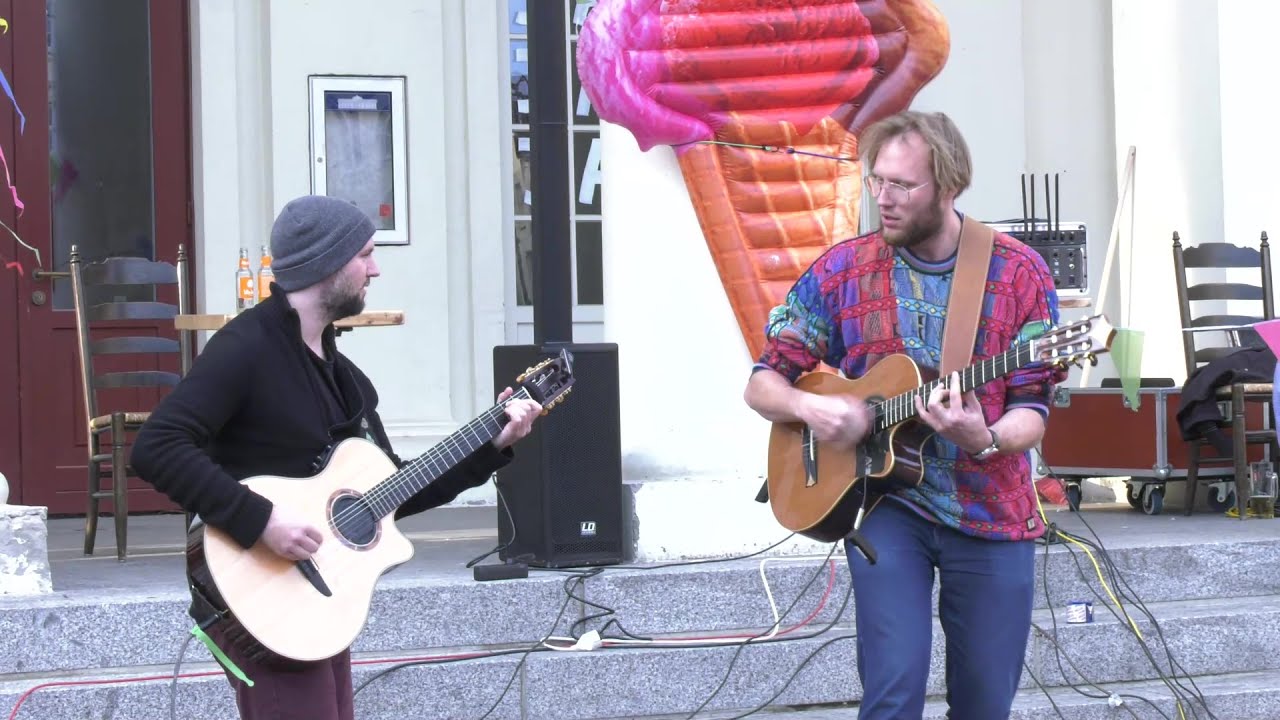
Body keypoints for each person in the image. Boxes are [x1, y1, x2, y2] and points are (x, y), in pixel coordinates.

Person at [131, 195, 543, 720]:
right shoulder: (245, 349)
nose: (375, 269)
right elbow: (156, 447)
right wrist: (263, 522)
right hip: (260, 591)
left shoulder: (346, 380)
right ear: (326, 264)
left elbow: (390, 496)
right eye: (365, 255)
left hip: (319, 596)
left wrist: (492, 445)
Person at [743, 111, 1067, 718]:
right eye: (877, 181)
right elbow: (763, 384)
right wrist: (813, 409)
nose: (883, 200)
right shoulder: (843, 271)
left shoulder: (1017, 271)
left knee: (984, 704)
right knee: (893, 692)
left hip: (992, 509)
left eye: (903, 186)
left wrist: (986, 437)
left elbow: (1032, 411)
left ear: (948, 187)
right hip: (887, 505)